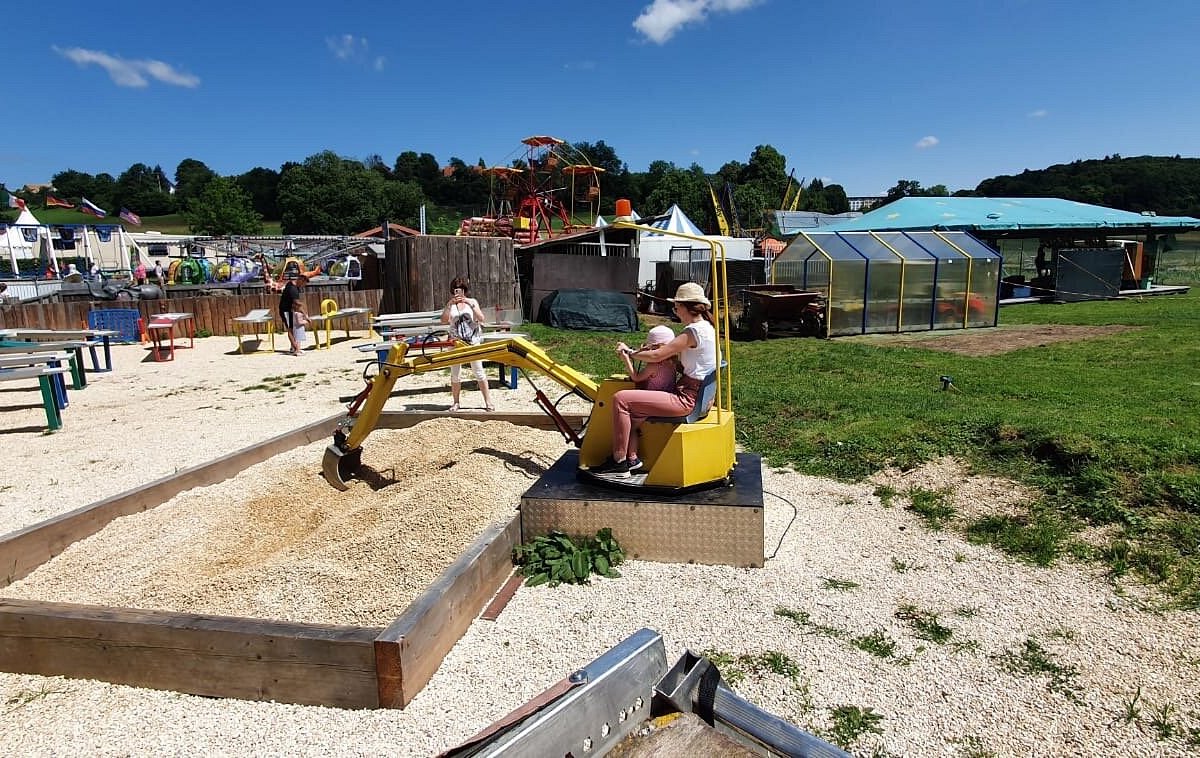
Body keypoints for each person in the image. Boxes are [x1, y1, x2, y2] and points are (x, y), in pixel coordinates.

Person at [593, 282, 717, 477]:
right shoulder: (708, 328)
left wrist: (630, 353)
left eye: (676, 307)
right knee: (632, 412)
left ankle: (618, 462)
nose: (675, 310)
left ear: (685, 307)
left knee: (621, 399)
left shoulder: (693, 332)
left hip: (686, 399)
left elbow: (657, 356)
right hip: (698, 395)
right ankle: (631, 458)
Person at [440, 276, 494, 412]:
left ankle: (488, 402)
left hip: (472, 341)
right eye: (456, 290)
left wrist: (470, 304)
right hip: (455, 342)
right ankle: (456, 402)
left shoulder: (472, 301)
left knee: (479, 371)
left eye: (461, 290)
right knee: (455, 373)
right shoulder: (450, 305)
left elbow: (481, 318)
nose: (458, 293)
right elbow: (443, 320)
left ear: (465, 290)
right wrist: (449, 305)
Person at [619, 324, 679, 393]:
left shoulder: (654, 365)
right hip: (669, 394)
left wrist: (626, 360)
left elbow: (636, 378)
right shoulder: (673, 362)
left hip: (654, 396)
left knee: (622, 395)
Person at [279, 274, 308, 356]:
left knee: (293, 328)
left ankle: (293, 347)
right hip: (286, 310)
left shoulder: (290, 283)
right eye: (303, 284)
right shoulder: (293, 289)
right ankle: (296, 350)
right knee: (290, 329)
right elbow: (297, 303)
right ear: (300, 280)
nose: (303, 286)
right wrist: (305, 314)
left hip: (289, 309)